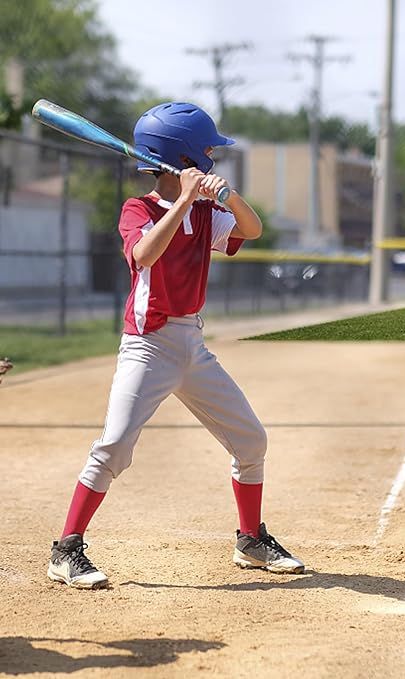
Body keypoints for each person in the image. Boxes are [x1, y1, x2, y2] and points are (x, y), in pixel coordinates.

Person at [48, 102, 304, 589]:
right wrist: (183, 200)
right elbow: (144, 254)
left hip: (191, 343)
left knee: (251, 441)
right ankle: (66, 550)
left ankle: (249, 539)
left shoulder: (208, 212)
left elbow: (252, 230)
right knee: (115, 446)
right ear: (185, 158)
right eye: (208, 151)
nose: (214, 158)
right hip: (148, 345)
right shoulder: (137, 209)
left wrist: (226, 196)